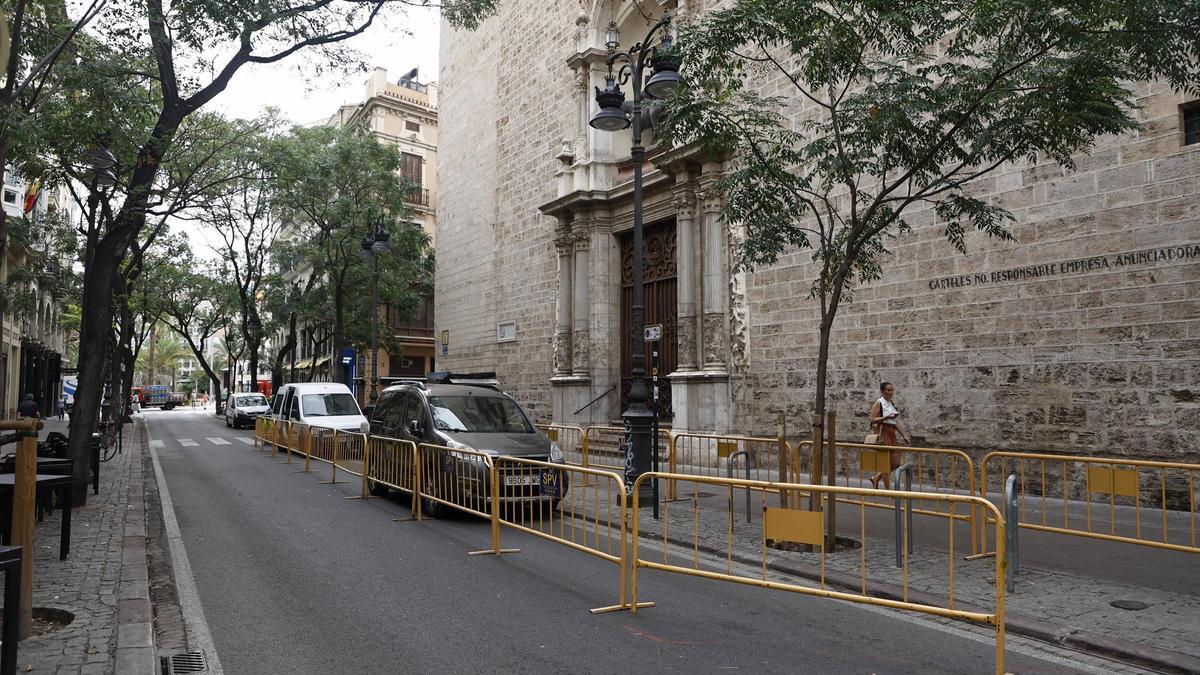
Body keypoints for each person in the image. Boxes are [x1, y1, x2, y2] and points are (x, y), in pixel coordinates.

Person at [869, 382, 910, 489]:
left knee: (895, 462)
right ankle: (889, 491)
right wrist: (885, 417)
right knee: (885, 463)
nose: (891, 392)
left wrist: (904, 435)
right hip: (883, 433)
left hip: (891, 433)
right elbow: (872, 419)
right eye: (888, 390)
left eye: (892, 390)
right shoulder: (879, 403)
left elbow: (895, 422)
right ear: (882, 391)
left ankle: (876, 478)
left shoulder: (891, 403)